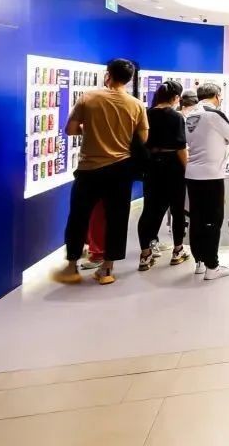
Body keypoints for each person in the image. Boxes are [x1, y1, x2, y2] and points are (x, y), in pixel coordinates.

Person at [55, 58, 148, 286]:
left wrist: (91, 131)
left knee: (78, 217)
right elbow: (143, 137)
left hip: (89, 169)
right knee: (117, 218)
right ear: (129, 79)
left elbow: (70, 129)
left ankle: (71, 266)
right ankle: (107, 269)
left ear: (108, 75)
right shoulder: (136, 105)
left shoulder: (89, 98)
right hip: (121, 169)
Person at [185, 82, 229, 280]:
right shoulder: (213, 114)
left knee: (197, 219)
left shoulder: (191, 115)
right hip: (211, 175)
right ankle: (212, 266)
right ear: (216, 96)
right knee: (212, 220)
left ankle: (200, 262)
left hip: (192, 174)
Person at [137, 80, 190, 271]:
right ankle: (178, 250)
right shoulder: (176, 117)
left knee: (150, 209)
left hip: (152, 166)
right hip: (173, 166)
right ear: (176, 98)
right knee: (177, 209)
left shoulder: (146, 113)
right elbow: (181, 148)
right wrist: (187, 169)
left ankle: (145, 254)